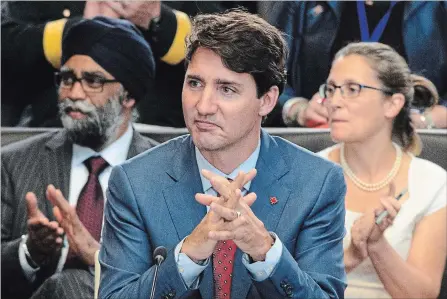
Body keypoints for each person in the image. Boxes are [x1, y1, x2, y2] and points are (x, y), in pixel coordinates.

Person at [99, 9, 347, 299]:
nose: (203, 106)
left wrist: (264, 251)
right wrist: (188, 256)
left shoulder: (317, 182)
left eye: (226, 89)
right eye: (195, 83)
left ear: (266, 100)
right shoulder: (134, 181)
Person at [1, 17, 159, 299]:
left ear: (129, 95)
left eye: (93, 81)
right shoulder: (12, 164)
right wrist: (30, 251)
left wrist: (97, 257)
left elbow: (179, 273)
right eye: (66, 79)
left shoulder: (163, 169)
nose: (73, 94)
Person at [317, 42, 446, 298]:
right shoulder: (307, 172)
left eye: (352, 89)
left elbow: (423, 295)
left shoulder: (433, 182)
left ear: (392, 104)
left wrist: (376, 245)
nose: (334, 102)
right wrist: (352, 255)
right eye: (331, 90)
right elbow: (286, 284)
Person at [1, 0, 243, 128]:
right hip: (61, 132)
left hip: (162, 136)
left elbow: (234, 52)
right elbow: (7, 50)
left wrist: (159, 20)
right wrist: (78, 29)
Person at [277, 1, 447, 129]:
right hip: (325, 133)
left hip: (413, 137)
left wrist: (431, 119)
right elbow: (268, 76)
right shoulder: (303, 4)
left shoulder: (438, 6)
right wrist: (297, 109)